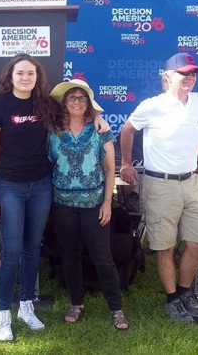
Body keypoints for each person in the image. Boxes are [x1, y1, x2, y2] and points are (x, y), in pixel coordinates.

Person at [0, 54, 109, 341]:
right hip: (9, 187)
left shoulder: (47, 105)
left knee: (32, 249)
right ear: (10, 76)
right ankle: (4, 315)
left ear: (37, 77)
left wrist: (98, 116)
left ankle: (27, 307)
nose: (26, 77)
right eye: (20, 73)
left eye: (31, 73)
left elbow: (81, 108)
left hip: (41, 186)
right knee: (11, 251)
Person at [119, 52, 198, 324]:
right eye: (185, 73)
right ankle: (172, 298)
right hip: (160, 184)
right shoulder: (152, 105)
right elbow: (127, 130)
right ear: (168, 76)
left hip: (192, 183)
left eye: (193, 74)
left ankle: (184, 293)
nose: (191, 78)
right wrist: (126, 163)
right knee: (165, 247)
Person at [47, 79, 129, 330]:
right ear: (64, 102)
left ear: (88, 103)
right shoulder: (52, 130)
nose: (76, 102)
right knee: (70, 255)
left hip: (94, 204)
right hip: (62, 204)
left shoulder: (100, 130)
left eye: (81, 98)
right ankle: (76, 302)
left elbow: (109, 168)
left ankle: (116, 308)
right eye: (71, 97)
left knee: (102, 257)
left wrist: (107, 202)